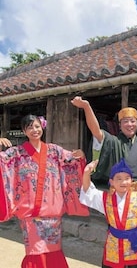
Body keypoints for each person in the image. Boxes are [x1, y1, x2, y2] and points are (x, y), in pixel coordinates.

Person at [0, 114, 89, 268]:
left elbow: (72, 161)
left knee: (53, 249)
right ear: (24, 131)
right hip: (30, 214)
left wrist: (80, 157)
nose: (34, 130)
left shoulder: (55, 151)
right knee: (34, 251)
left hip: (52, 213)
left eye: (37, 126)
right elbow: (2, 163)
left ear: (42, 127)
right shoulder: (17, 153)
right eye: (29, 127)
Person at [71, 96, 137, 183]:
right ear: (119, 125)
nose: (129, 124)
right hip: (119, 191)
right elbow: (96, 131)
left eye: (133, 121)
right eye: (125, 121)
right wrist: (87, 107)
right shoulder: (113, 142)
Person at [80, 158, 137, 268]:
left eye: (127, 178)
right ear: (112, 182)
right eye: (118, 179)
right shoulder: (105, 199)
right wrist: (86, 173)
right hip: (113, 246)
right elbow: (88, 192)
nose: (123, 182)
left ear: (131, 180)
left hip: (133, 245)